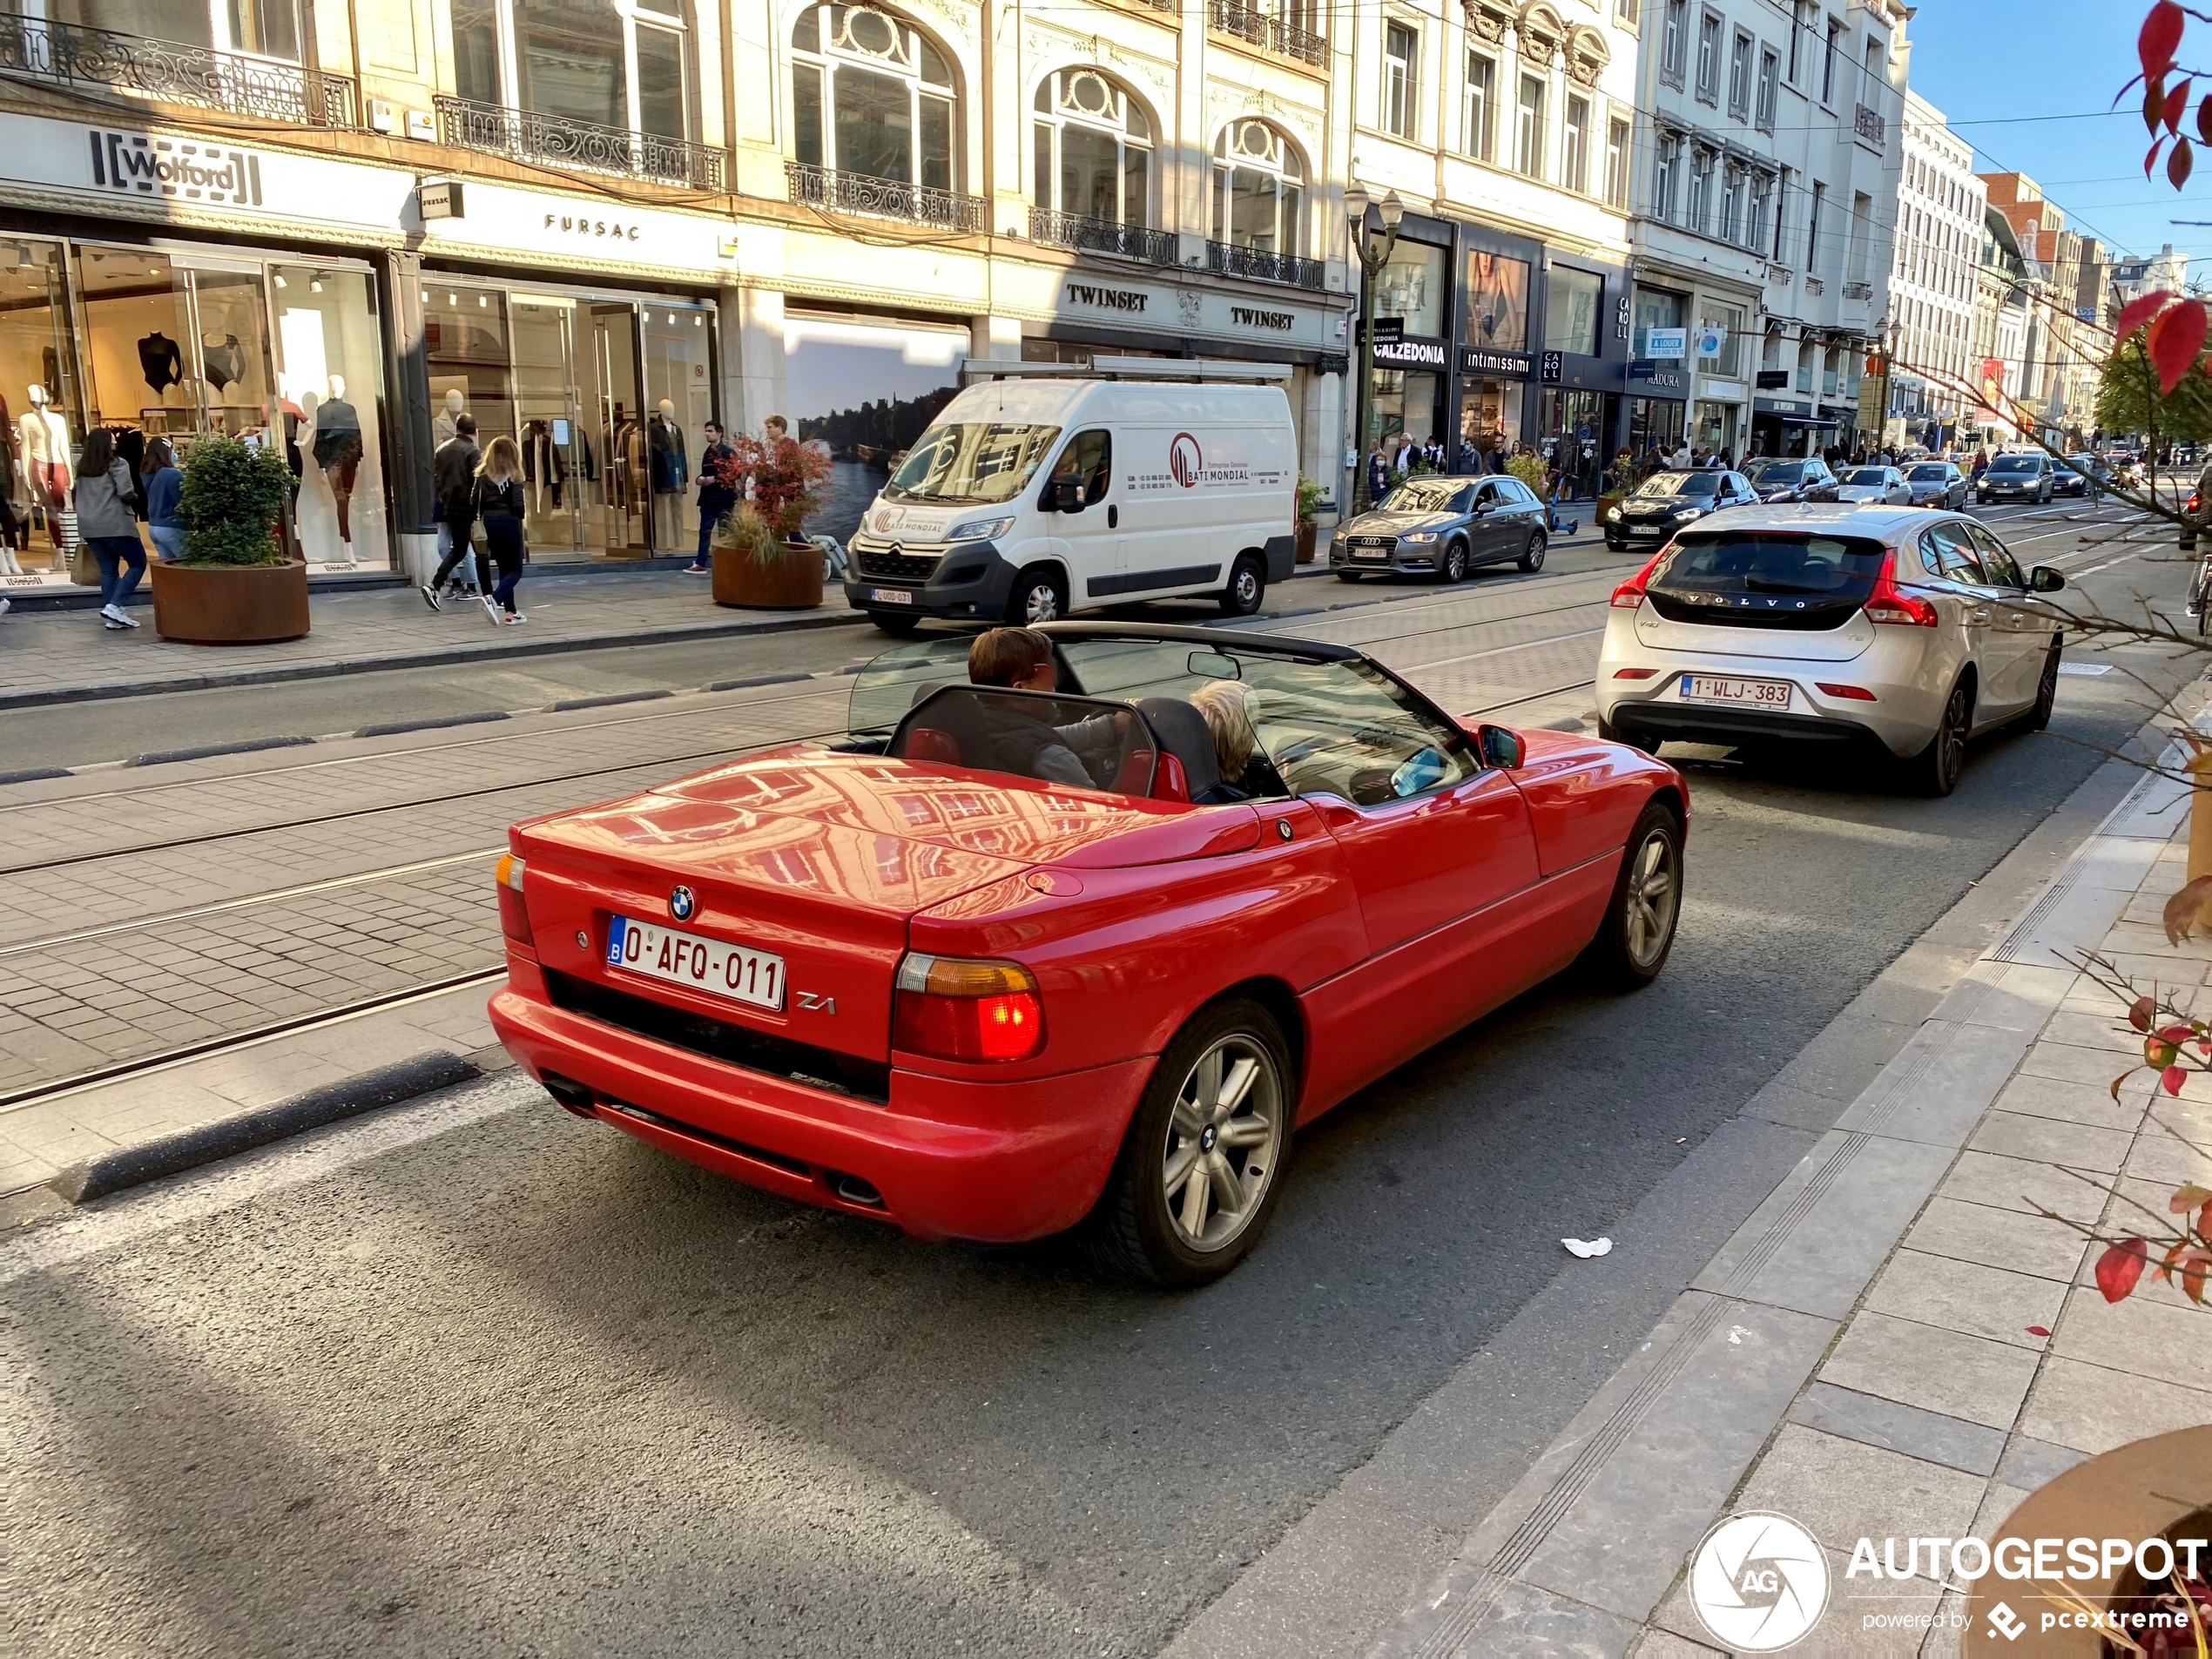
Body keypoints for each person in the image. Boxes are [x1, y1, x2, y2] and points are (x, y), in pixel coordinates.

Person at [74, 427, 144, 631]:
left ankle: (113, 614)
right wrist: (136, 499)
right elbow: (126, 492)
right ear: (107, 444)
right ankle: (115, 605)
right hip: (116, 523)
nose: (115, 443)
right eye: (113, 441)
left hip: (90, 526)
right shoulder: (118, 463)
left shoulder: (83, 468)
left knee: (108, 570)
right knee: (138, 563)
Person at [421, 414, 482, 609]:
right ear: (474, 431)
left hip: (448, 505)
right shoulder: (472, 451)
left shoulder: (441, 449)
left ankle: (442, 584)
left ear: (457, 428)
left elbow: (437, 479)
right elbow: (477, 481)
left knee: (459, 548)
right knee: (461, 549)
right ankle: (435, 584)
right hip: (464, 507)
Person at [472, 435, 529, 625]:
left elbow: (473, 502)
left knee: (505, 568)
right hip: (508, 523)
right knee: (515, 569)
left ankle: (511, 612)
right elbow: (519, 508)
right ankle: (493, 600)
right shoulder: (515, 476)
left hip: (488, 524)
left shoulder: (481, 476)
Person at [685, 420, 737, 573]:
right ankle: (701, 562)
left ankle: (728, 563)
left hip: (723, 498)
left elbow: (736, 472)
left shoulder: (728, 452)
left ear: (719, 433)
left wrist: (715, 478)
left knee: (725, 531)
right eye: (706, 431)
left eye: (710, 431)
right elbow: (706, 473)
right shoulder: (707, 452)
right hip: (708, 498)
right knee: (704, 531)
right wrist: (699, 479)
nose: (707, 434)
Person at [142, 437, 184, 561]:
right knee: (188, 566)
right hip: (172, 526)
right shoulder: (172, 474)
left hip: (154, 527)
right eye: (173, 451)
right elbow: (183, 501)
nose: (175, 454)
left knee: (167, 568)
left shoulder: (147, 474)